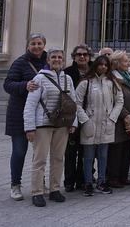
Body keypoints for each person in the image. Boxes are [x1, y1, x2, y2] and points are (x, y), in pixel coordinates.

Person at [23, 46, 83, 207]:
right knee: (39, 160)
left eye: (59, 58)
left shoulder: (67, 79)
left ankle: (55, 189)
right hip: (43, 124)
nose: (57, 60)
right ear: (48, 60)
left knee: (58, 158)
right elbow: (30, 105)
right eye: (54, 57)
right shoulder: (39, 79)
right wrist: (29, 128)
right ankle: (37, 192)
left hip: (62, 125)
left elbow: (73, 103)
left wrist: (73, 123)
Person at [4, 33, 46, 201]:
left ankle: (40, 183)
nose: (37, 46)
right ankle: (15, 185)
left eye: (40, 43)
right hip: (19, 114)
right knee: (20, 151)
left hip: (41, 115)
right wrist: (24, 85)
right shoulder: (20, 62)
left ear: (44, 45)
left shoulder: (48, 61)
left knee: (40, 153)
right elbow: (7, 84)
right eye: (33, 43)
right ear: (28, 45)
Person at [75, 55, 124, 196]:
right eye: (100, 64)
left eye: (105, 65)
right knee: (88, 156)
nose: (103, 67)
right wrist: (85, 119)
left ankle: (102, 182)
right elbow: (76, 102)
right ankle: (88, 183)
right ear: (95, 65)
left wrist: (112, 117)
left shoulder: (112, 82)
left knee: (103, 155)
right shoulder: (86, 82)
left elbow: (119, 101)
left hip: (106, 123)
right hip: (90, 123)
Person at [107, 50, 130, 188]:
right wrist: (125, 114)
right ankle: (113, 178)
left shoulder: (127, 77)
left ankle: (123, 176)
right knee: (116, 150)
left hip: (129, 117)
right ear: (117, 63)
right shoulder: (113, 79)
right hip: (119, 118)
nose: (128, 63)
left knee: (126, 148)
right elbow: (114, 100)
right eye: (125, 61)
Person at [64, 44, 91, 192]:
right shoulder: (67, 73)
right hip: (72, 116)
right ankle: (69, 181)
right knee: (70, 151)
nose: (82, 57)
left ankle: (82, 179)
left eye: (85, 54)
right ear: (74, 57)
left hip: (90, 116)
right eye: (79, 54)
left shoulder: (94, 71)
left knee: (86, 150)